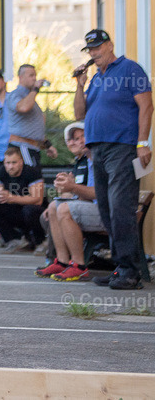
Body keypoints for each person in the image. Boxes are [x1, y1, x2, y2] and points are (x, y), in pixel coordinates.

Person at [74, 28, 153, 289]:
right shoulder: (96, 78)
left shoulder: (130, 69)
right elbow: (80, 113)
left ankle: (130, 271)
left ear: (109, 45)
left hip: (123, 147)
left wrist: (143, 143)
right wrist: (79, 85)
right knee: (106, 208)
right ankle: (120, 267)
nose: (93, 53)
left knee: (121, 207)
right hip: (98, 149)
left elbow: (146, 105)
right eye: (90, 50)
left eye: (97, 47)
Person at [35, 122, 100, 282]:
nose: (76, 142)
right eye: (72, 139)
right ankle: (62, 261)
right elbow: (85, 193)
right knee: (53, 207)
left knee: (62, 208)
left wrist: (72, 188)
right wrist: (69, 189)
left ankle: (79, 266)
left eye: (80, 137)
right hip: (94, 209)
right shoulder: (85, 161)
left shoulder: (98, 159)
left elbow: (99, 195)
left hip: (107, 212)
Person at [0, 146, 46, 252]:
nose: (10, 166)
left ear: (21, 162)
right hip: (15, 210)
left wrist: (12, 198)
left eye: (14, 163)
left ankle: (41, 242)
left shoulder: (32, 172)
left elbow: (38, 200)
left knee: (30, 210)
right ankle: (13, 240)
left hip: (35, 213)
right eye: (8, 163)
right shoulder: (2, 171)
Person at [6, 64, 57, 178]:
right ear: (21, 77)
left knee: (34, 182)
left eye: (35, 75)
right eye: (31, 75)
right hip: (22, 147)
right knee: (31, 180)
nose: (34, 78)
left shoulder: (30, 98)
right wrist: (35, 90)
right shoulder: (16, 95)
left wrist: (48, 145)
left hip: (32, 148)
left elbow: (33, 128)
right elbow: (23, 107)